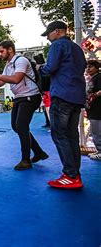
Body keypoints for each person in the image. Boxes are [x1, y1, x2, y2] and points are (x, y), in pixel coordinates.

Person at [0, 40, 48, 170]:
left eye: (1, 51)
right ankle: (38, 152)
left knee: (21, 126)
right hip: (19, 97)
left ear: (10, 49)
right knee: (16, 126)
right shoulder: (8, 65)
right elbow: (1, 83)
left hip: (30, 96)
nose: (0, 54)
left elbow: (16, 79)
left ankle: (26, 160)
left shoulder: (21, 61)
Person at [40, 21, 86, 189]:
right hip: (77, 96)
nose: (48, 38)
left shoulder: (57, 46)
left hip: (62, 94)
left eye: (49, 34)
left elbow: (50, 68)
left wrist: (39, 69)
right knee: (72, 135)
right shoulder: (77, 49)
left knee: (59, 134)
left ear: (58, 31)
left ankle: (70, 174)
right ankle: (75, 174)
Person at [85, 60, 101, 161]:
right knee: (95, 130)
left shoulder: (98, 77)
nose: (88, 69)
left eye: (90, 67)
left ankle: (100, 151)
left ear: (96, 67)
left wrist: (91, 96)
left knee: (97, 131)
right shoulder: (93, 78)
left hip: (97, 108)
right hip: (93, 108)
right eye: (87, 67)